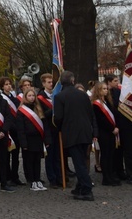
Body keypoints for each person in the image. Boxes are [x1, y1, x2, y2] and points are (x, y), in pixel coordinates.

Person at [54, 70, 97, 201]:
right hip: (85, 132)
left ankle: (86, 189)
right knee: (82, 161)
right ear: (72, 81)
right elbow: (90, 113)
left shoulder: (59, 97)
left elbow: (59, 117)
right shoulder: (83, 95)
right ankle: (80, 187)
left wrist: (59, 127)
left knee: (79, 163)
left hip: (71, 133)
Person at [15, 88, 50, 190]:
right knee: (29, 160)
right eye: (29, 96)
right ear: (25, 97)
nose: (31, 98)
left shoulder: (38, 109)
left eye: (33, 96)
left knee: (37, 160)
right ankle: (32, 181)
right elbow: (20, 129)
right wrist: (23, 143)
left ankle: (38, 179)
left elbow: (44, 125)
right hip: (28, 139)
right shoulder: (22, 111)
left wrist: (46, 140)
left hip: (38, 139)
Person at [91, 81, 121, 186]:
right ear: (99, 90)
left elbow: (114, 114)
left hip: (112, 132)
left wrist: (116, 126)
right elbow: (101, 120)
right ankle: (106, 178)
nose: (106, 90)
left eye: (106, 89)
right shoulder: (96, 104)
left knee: (111, 154)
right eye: (104, 89)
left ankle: (111, 175)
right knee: (105, 155)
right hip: (104, 133)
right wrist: (112, 129)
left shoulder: (107, 101)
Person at [38, 73, 62, 187]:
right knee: (50, 155)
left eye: (52, 82)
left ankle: (59, 177)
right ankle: (52, 179)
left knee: (58, 155)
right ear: (43, 84)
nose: (51, 84)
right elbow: (41, 114)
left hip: (58, 129)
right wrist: (54, 108)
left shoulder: (57, 95)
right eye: (48, 82)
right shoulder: (40, 98)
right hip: (47, 129)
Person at [0, 77, 23, 186]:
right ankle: (7, 177)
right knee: (6, 156)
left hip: (16, 130)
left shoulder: (15, 99)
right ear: (2, 86)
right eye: (6, 84)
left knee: (15, 156)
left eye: (10, 84)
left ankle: (15, 176)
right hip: (7, 130)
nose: (8, 86)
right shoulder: (1, 99)